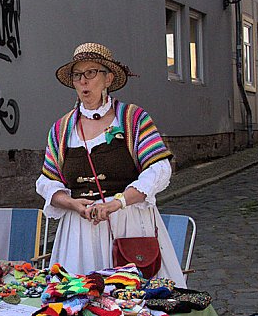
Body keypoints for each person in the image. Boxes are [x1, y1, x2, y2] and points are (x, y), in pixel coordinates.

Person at [36, 42, 186, 286]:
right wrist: (73, 203)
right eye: (77, 75)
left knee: (137, 302)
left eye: (91, 72)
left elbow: (159, 169)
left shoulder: (132, 119)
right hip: (80, 233)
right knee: (79, 302)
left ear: (108, 78)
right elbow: (47, 181)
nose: (83, 81)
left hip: (128, 226)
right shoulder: (61, 129)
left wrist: (119, 202)